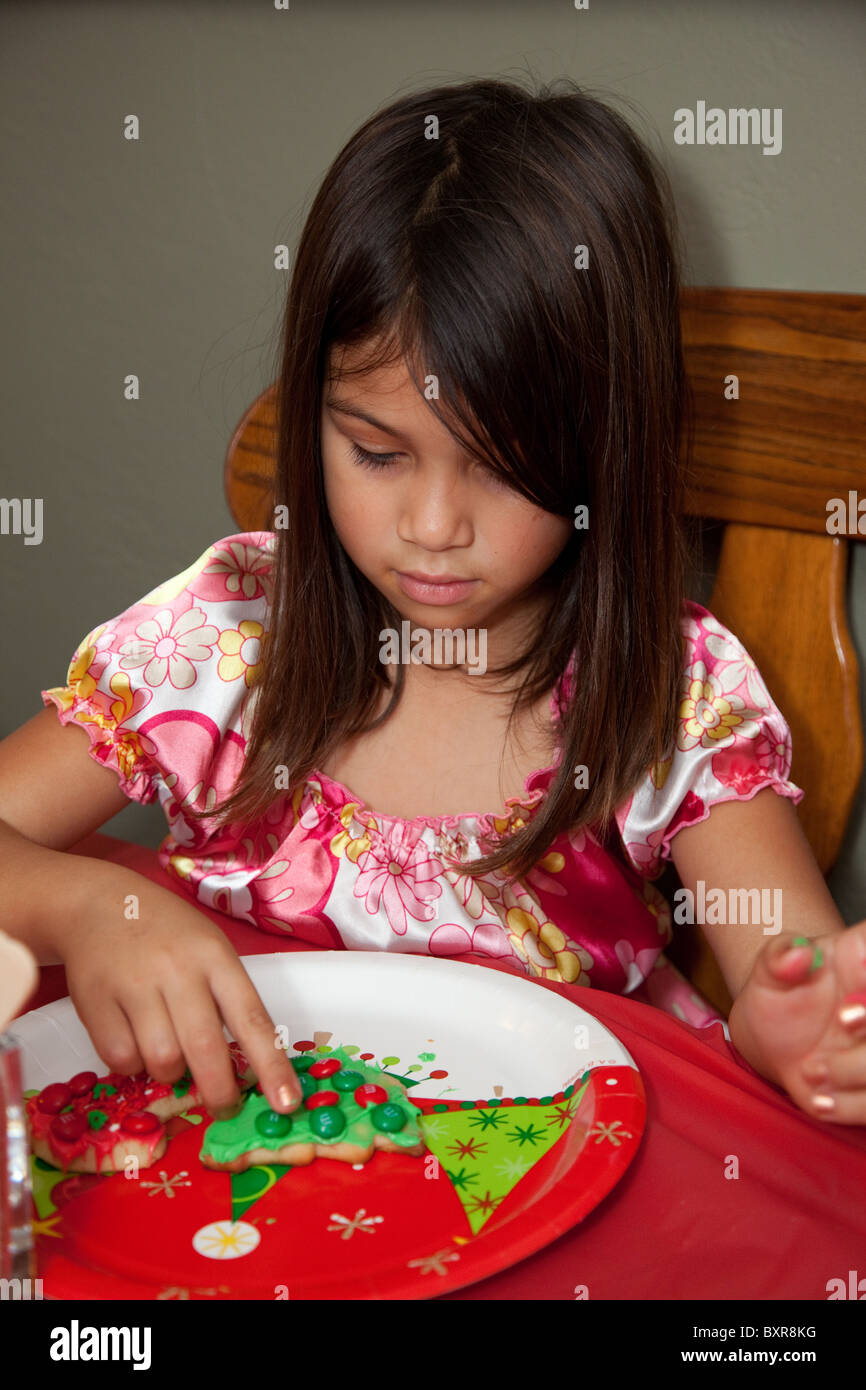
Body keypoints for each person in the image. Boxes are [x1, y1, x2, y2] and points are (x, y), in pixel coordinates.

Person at [1, 78, 864, 1129]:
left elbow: (794, 972)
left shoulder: (670, 693)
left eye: (501, 468)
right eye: (375, 452)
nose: (433, 524)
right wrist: (97, 900)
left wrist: (799, 1028)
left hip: (554, 1190)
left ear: (605, 445)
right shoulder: (220, 638)